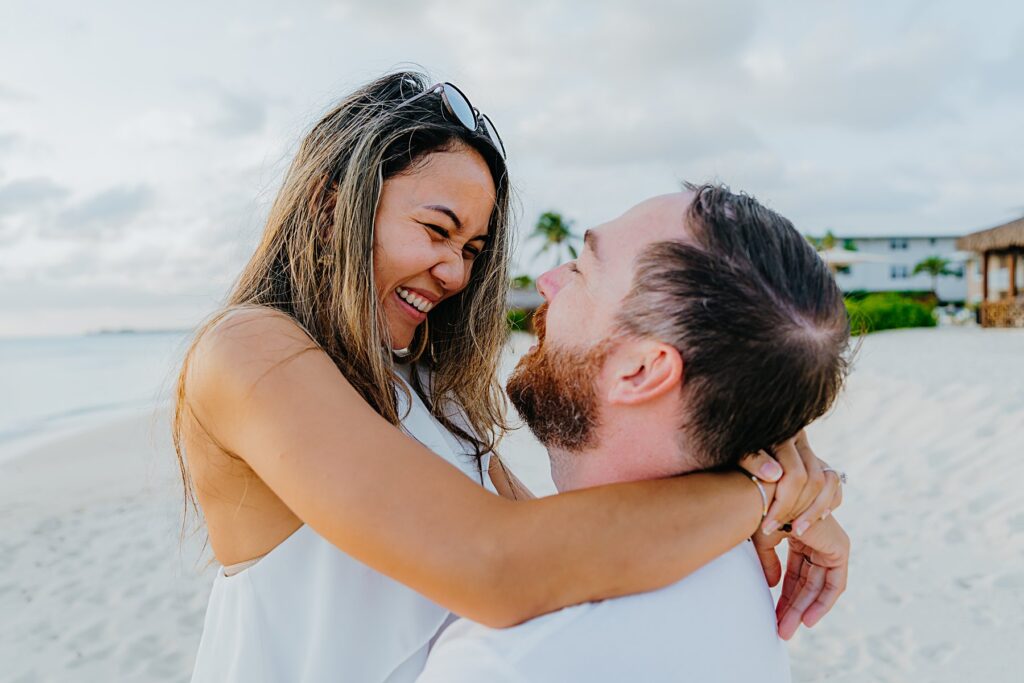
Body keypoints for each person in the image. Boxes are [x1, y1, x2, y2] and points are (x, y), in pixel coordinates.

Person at [176, 71, 847, 682]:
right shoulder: (248, 350)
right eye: (437, 230)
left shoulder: (424, 386)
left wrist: (765, 459)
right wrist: (761, 494)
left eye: (471, 248)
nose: (458, 273)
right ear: (330, 208)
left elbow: (557, 544)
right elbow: (498, 565)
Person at [418, 186, 851, 682]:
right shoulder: (729, 568)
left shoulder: (519, 657)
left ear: (642, 371)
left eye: (581, 272)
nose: (547, 281)